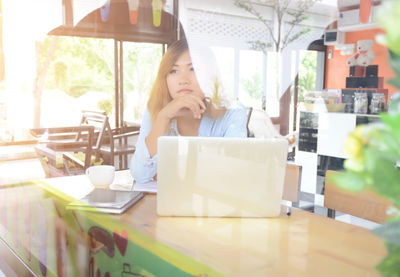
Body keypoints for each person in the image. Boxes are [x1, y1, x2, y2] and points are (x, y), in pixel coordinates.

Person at [130, 39, 247, 183]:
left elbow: (234, 173)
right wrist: (163, 118)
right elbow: (140, 174)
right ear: (165, 77)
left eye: (194, 69)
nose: (183, 80)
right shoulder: (156, 109)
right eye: (174, 71)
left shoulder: (231, 112)